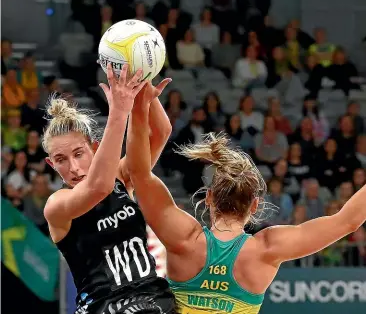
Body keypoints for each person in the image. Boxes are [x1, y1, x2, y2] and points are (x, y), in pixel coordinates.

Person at [127, 90, 366, 313]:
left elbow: (138, 173)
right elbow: (349, 221)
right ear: (254, 205)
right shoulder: (266, 249)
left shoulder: (184, 238)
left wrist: (140, 102)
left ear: (209, 198)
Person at [43, 64, 176, 314]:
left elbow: (160, 133)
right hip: (103, 307)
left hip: (154, 299)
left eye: (79, 153)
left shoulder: (121, 177)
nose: (73, 167)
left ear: (94, 148)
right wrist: (119, 110)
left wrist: (141, 85)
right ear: (51, 164)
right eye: (61, 160)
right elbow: (98, 188)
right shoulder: (57, 206)